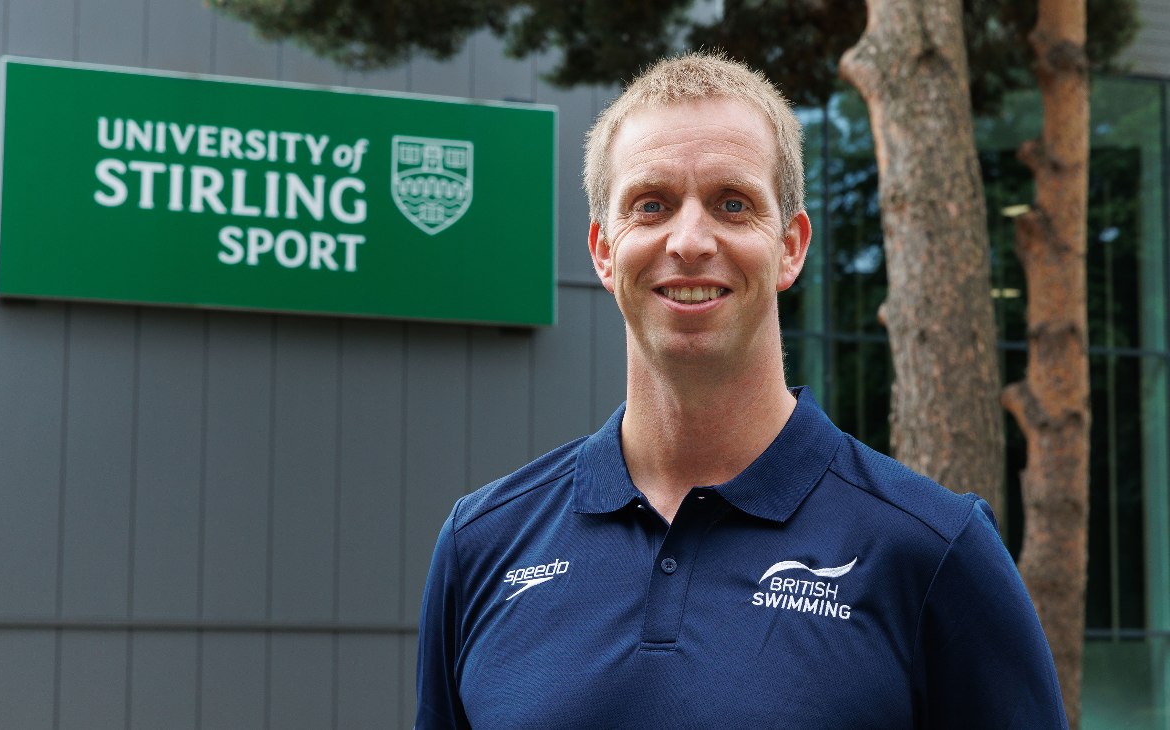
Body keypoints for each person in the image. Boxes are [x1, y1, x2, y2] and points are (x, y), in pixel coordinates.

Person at [416, 51, 1067, 728]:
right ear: (604, 250)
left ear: (791, 246)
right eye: (651, 205)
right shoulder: (483, 545)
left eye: (733, 204)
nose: (690, 241)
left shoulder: (932, 552)